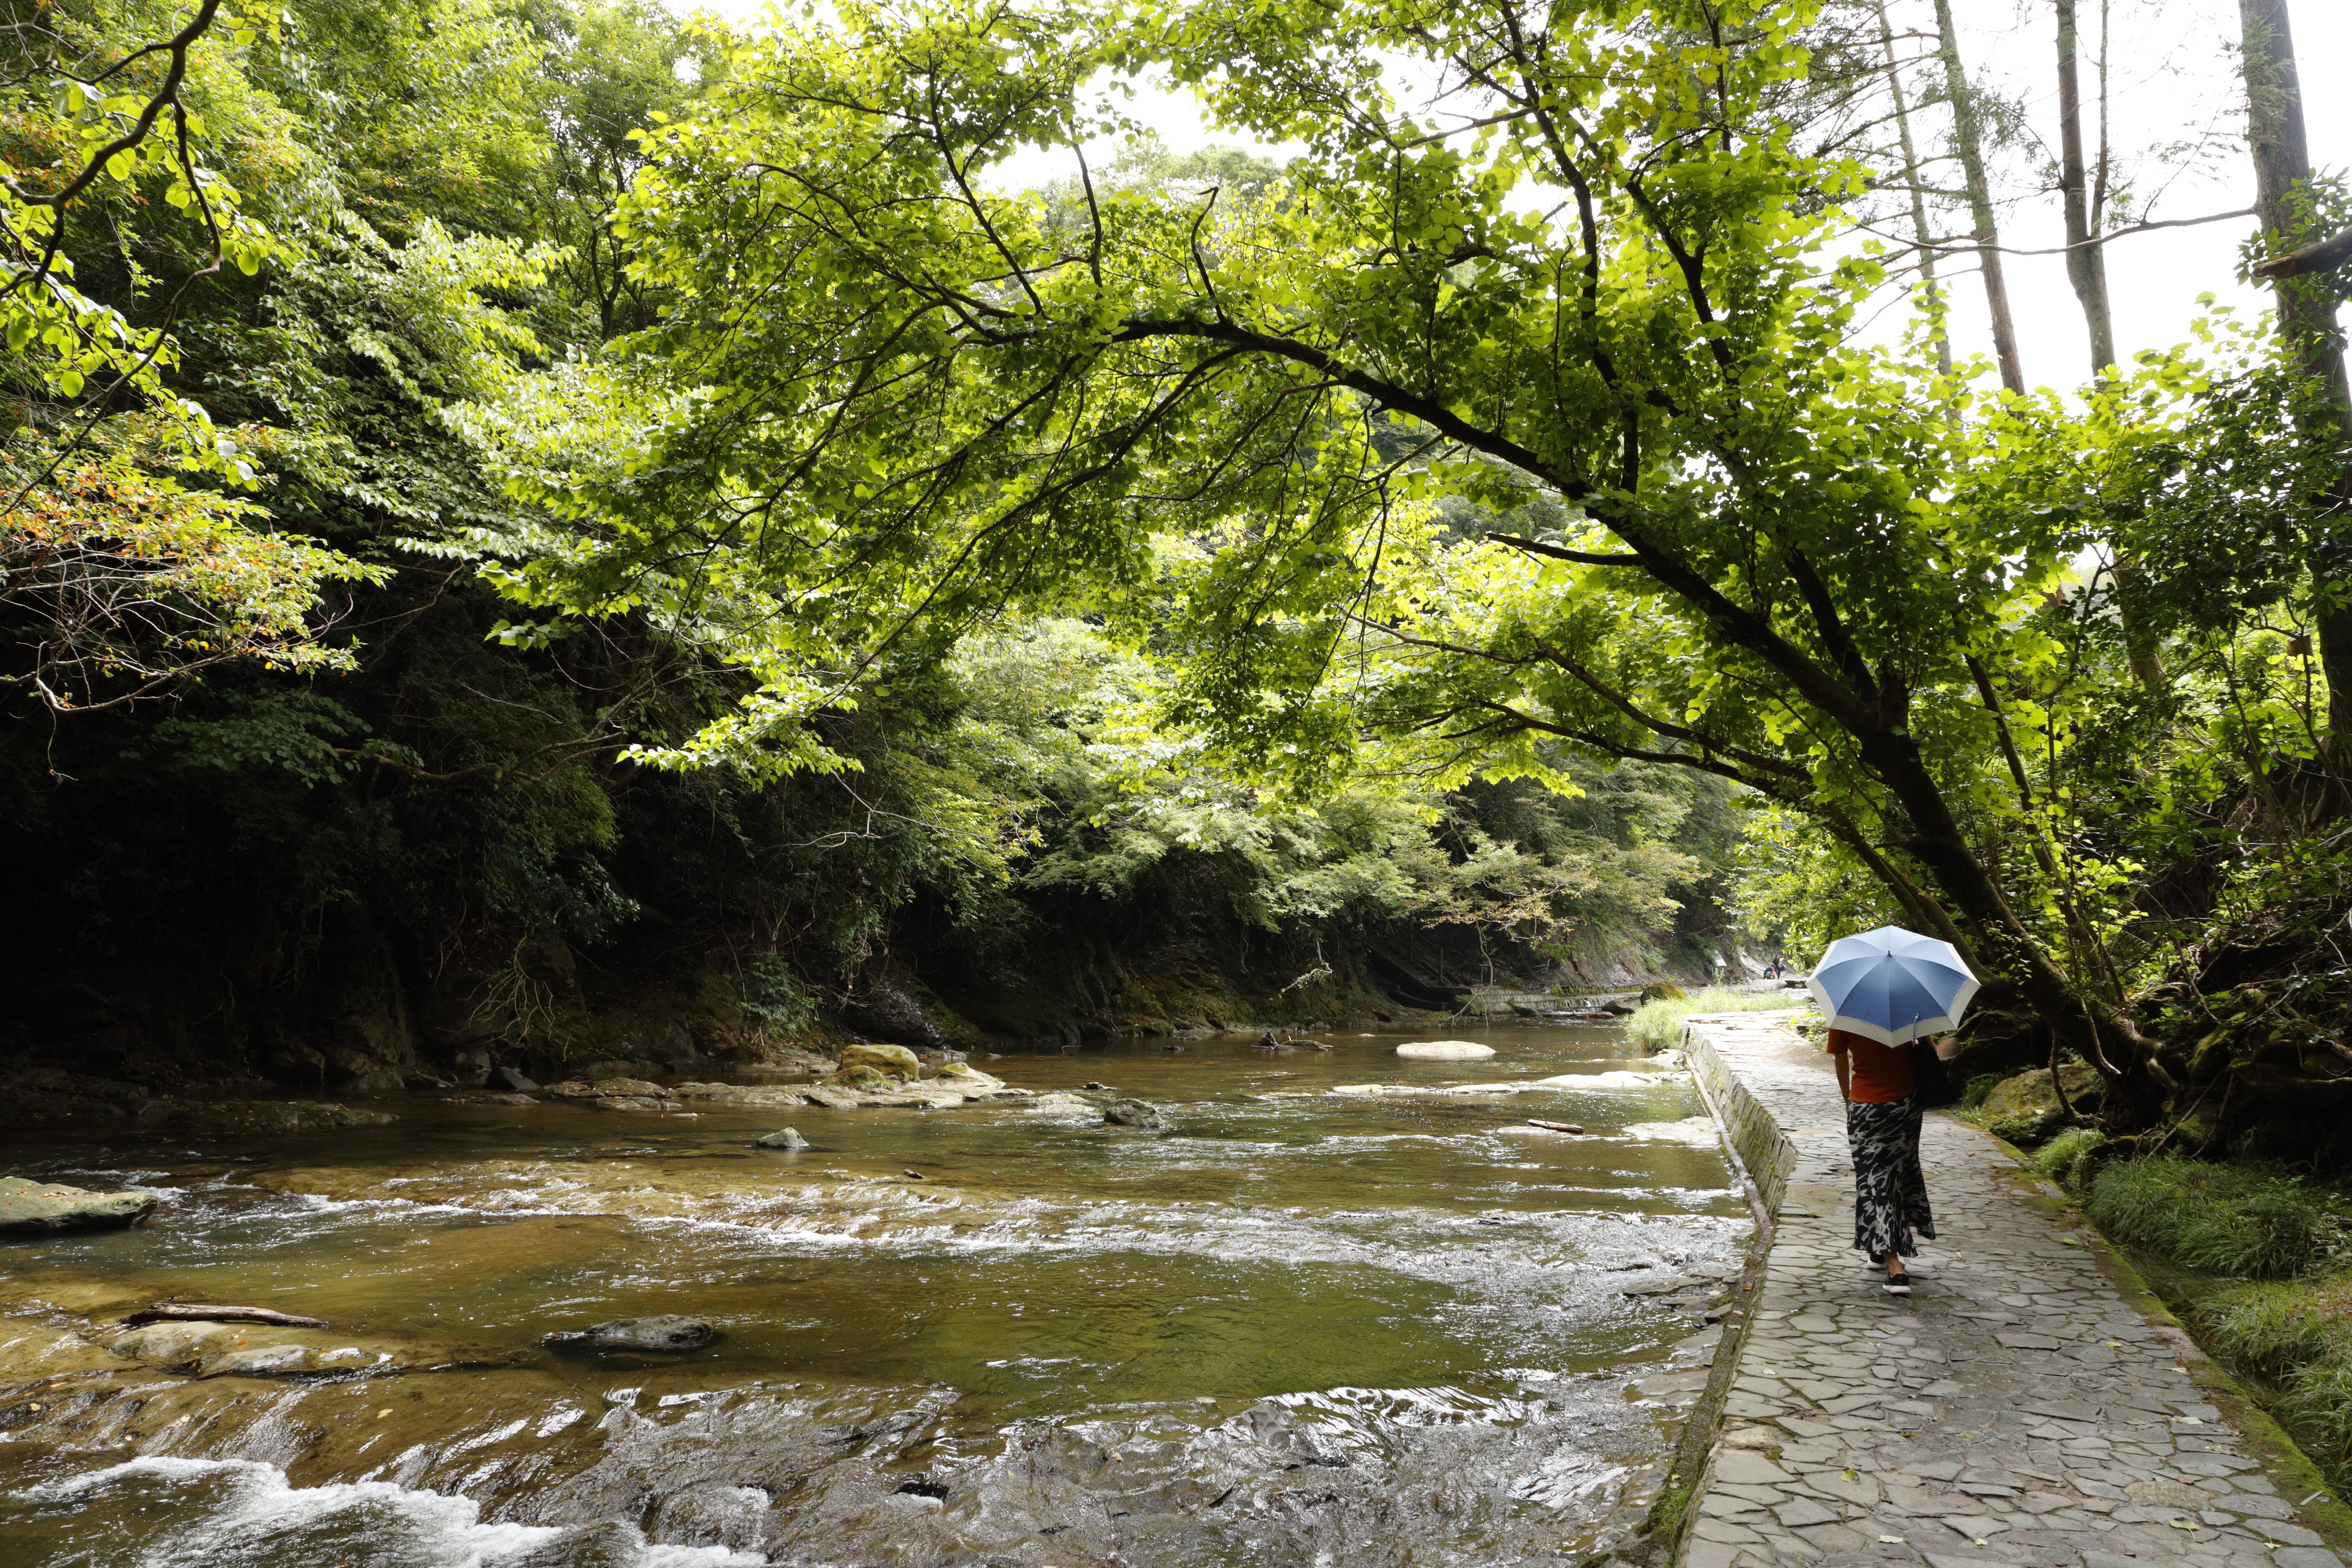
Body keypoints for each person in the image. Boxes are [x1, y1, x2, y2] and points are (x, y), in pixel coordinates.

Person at [1827, 1026, 1936, 1295]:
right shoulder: (1911, 1008)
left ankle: (1895, 1267)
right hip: (1906, 1106)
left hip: (1866, 1108)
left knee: (1875, 1182)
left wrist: (1847, 1097)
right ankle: (1881, 1249)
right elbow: (1930, 1051)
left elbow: (1841, 1060)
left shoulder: (1846, 1015)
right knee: (1900, 1173)